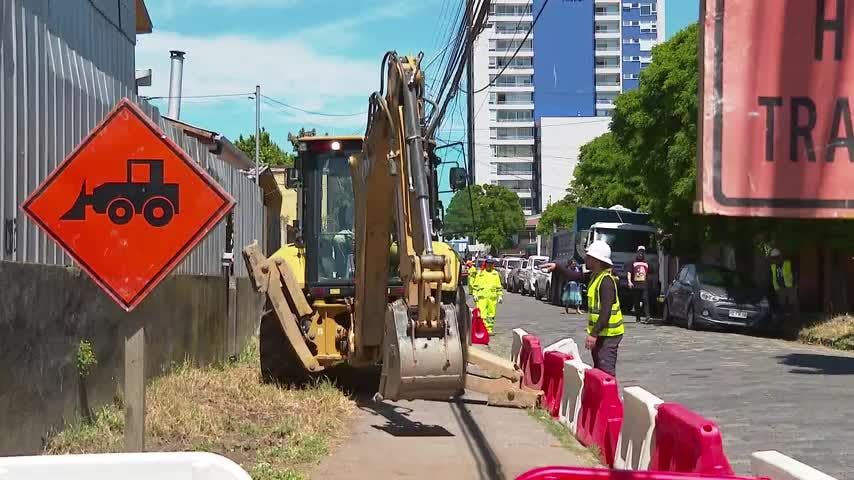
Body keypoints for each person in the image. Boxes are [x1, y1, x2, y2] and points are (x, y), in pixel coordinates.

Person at [542, 240, 624, 377]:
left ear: (597, 261)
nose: (585, 259)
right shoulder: (595, 276)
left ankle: (609, 397)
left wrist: (594, 334)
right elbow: (574, 276)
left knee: (606, 373)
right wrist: (557, 267)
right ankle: (600, 396)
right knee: (599, 370)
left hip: (609, 335)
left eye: (589, 257)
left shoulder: (606, 281)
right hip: (603, 334)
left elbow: (606, 312)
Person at [472, 257, 504, 334]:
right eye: (488, 263)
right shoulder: (480, 273)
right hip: (481, 298)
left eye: (491, 263)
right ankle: (481, 329)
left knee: (491, 315)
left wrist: (500, 296)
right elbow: (475, 286)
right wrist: (475, 295)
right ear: (485, 264)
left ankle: (489, 330)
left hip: (492, 298)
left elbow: (498, 286)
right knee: (481, 315)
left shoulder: (495, 274)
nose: (489, 265)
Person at [769, 248, 799, 326]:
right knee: (781, 304)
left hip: (790, 286)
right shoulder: (773, 266)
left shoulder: (788, 263)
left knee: (792, 303)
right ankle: (783, 322)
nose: (775, 260)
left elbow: (795, 273)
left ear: (780, 257)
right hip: (780, 287)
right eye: (773, 258)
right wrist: (776, 287)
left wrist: (794, 283)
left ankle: (795, 321)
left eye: (776, 258)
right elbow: (773, 276)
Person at [627, 246, 651, 324]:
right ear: (637, 252)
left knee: (645, 300)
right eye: (640, 252)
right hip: (636, 285)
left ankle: (647, 316)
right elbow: (629, 272)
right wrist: (629, 281)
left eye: (643, 252)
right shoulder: (633, 262)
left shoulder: (646, 262)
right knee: (636, 302)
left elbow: (651, 273)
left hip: (644, 285)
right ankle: (638, 318)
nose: (641, 253)